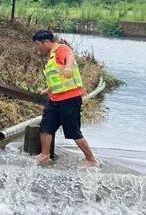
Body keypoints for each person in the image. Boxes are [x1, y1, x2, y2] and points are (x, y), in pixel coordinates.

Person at [31, 30, 99, 167]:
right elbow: (56, 78)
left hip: (70, 98)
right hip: (55, 98)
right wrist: (49, 89)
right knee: (46, 126)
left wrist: (68, 67)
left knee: (72, 130)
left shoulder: (61, 49)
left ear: (46, 42)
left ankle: (91, 159)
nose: (37, 47)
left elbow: (70, 57)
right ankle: (45, 155)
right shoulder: (50, 57)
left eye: (38, 44)